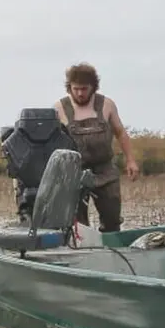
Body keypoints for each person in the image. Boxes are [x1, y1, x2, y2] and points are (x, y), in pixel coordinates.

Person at [53, 63, 139, 232]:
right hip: (73, 173)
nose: (80, 93)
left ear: (93, 87)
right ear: (69, 87)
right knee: (77, 225)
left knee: (112, 219)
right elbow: (52, 143)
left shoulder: (106, 105)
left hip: (105, 170)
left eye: (84, 89)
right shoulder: (59, 108)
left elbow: (121, 133)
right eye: (75, 88)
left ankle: (112, 251)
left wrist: (131, 160)